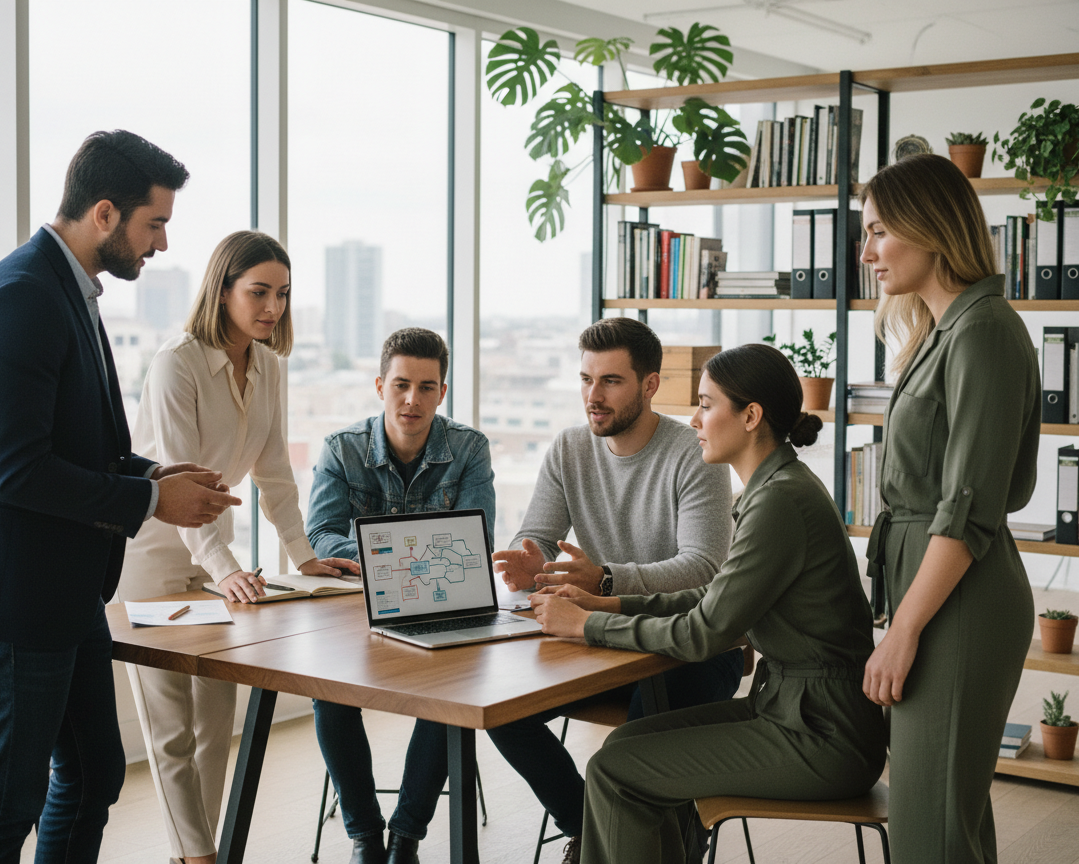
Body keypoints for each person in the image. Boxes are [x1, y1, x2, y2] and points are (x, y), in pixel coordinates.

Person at [0, 130, 242, 863]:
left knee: (92, 777)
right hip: (14, 596)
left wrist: (156, 476)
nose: (159, 245)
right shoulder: (22, 298)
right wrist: (152, 506)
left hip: (62, 591)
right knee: (6, 805)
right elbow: (17, 470)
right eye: (153, 224)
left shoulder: (69, 289)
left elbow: (77, 442)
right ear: (103, 213)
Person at [534, 343, 888, 864]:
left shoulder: (780, 502)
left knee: (616, 772)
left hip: (821, 735)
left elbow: (705, 631)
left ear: (750, 416)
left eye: (705, 403)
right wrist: (602, 606)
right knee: (622, 749)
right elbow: (710, 596)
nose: (694, 419)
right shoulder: (767, 490)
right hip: (794, 712)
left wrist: (586, 627)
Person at [115, 230, 360, 864]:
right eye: (258, 291)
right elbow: (177, 478)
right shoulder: (178, 362)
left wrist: (302, 554)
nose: (272, 306)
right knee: (169, 730)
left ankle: (202, 850)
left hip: (213, 557)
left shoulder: (271, 366)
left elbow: (275, 471)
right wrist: (223, 568)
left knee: (215, 723)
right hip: (152, 556)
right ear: (221, 289)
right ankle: (198, 857)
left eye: (281, 293)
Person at [489, 316, 739, 863]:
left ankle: (646, 847)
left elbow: (703, 568)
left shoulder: (693, 450)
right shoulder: (569, 449)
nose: (592, 397)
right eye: (585, 380)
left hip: (691, 646)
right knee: (502, 711)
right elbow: (537, 533)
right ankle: (591, 829)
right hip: (602, 640)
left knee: (641, 744)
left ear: (650, 385)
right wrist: (530, 557)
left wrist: (604, 578)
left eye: (610, 382)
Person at [858, 154, 1039, 864]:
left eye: (878, 231)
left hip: (958, 601)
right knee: (940, 822)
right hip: (933, 594)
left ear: (928, 225)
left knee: (931, 831)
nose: (866, 252)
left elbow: (966, 507)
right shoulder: (940, 331)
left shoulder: (983, 331)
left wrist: (903, 630)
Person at [304, 327, 495, 864]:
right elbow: (321, 533)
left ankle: (406, 838)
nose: (413, 400)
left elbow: (478, 541)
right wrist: (405, 557)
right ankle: (364, 836)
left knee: (451, 697)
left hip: (441, 607)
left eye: (427, 387)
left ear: (443, 391)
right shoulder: (342, 449)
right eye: (401, 385)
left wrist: (386, 553)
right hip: (358, 613)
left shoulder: (468, 449)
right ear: (379, 385)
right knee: (329, 693)